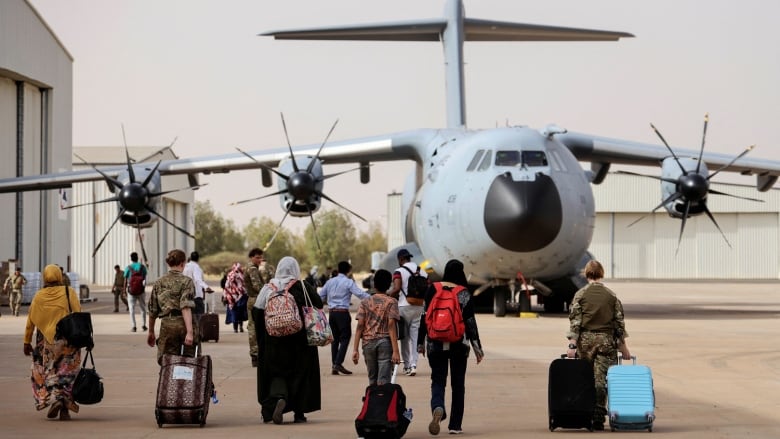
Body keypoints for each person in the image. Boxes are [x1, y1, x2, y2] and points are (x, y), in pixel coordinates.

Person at [252, 256, 322, 424]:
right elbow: (318, 305)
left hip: (273, 341)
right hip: (300, 341)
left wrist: (264, 337)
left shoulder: (268, 288)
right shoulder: (303, 287)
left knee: (277, 373)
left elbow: (256, 313)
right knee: (300, 373)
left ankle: (279, 397)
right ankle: (299, 413)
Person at [418, 259, 484, 435]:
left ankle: (438, 406)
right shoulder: (463, 293)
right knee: (458, 385)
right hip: (459, 344)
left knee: (438, 380)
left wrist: (420, 343)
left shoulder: (433, 289)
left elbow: (424, 316)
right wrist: (478, 348)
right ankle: (455, 425)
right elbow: (470, 322)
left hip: (435, 342)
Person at [566, 259, 631, 431]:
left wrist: (572, 345)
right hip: (605, 342)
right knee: (601, 381)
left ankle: (584, 414)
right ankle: (598, 417)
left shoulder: (580, 295)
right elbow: (618, 324)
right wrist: (623, 347)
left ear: (586, 274)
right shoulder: (611, 296)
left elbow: (575, 323)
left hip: (585, 343)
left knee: (585, 380)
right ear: (601, 274)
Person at [22, 264, 82, 421]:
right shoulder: (69, 292)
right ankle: (63, 405)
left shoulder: (39, 296)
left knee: (44, 371)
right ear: (59, 276)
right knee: (67, 372)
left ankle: (48, 398)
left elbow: (31, 320)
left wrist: (26, 341)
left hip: (46, 342)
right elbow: (77, 313)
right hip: (68, 339)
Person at [146, 249, 198, 365]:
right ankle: (184, 383)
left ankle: (169, 383)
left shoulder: (159, 282)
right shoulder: (187, 282)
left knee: (167, 364)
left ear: (168, 263)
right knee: (188, 364)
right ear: (182, 263)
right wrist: (190, 332)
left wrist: (151, 332)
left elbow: (152, 311)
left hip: (167, 326)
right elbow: (185, 307)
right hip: (183, 325)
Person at [319, 260, 370, 375]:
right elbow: (360, 294)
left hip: (332, 314)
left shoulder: (330, 282)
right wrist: (374, 297)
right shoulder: (348, 282)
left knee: (335, 339)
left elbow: (320, 295)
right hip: (342, 313)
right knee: (345, 338)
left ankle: (334, 365)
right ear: (348, 270)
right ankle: (338, 363)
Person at [352, 269, 400, 385]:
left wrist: (355, 349)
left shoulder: (365, 302)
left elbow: (360, 326)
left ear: (374, 284)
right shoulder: (391, 302)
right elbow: (391, 324)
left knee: (372, 380)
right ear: (389, 284)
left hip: (367, 344)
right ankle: (382, 402)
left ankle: (372, 401)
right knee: (383, 381)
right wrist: (396, 351)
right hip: (385, 343)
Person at [388, 248, 427, 376]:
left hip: (404, 306)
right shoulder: (422, 271)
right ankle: (414, 364)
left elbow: (397, 288)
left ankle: (407, 366)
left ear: (400, 259)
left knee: (404, 337)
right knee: (415, 336)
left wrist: (387, 296)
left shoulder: (399, 271)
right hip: (419, 306)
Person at [244, 248, 274, 367]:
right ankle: (256, 354)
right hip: (256, 300)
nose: (260, 260)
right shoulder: (252, 269)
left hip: (254, 299)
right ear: (251, 257)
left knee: (254, 327)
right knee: (255, 329)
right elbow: (257, 286)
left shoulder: (252, 268)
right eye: (257, 257)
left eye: (261, 257)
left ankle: (256, 354)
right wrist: (268, 292)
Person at [183, 251, 212, 318]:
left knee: (189, 317)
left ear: (190, 257)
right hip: (196, 296)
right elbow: (198, 279)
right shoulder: (196, 267)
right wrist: (206, 287)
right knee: (199, 316)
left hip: (186, 296)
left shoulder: (185, 267)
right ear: (198, 259)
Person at [124, 251, 148, 332]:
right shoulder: (142, 267)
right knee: (143, 308)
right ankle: (144, 325)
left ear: (131, 259)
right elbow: (144, 278)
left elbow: (125, 280)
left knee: (131, 308)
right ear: (137, 258)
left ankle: (134, 326)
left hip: (131, 291)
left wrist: (124, 290)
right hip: (141, 290)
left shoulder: (128, 267)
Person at [223, 262, 248, 333]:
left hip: (232, 297)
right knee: (241, 312)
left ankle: (235, 328)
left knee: (234, 312)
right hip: (241, 296)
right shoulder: (242, 275)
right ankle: (240, 326)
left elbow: (226, 286)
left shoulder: (230, 275)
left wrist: (225, 296)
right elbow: (245, 286)